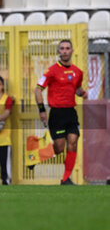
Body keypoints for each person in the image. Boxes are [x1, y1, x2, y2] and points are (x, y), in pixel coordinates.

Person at [35, 39, 88, 185]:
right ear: (59, 51)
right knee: (59, 148)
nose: (64, 51)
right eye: (62, 48)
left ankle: (66, 179)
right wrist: (42, 110)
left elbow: (76, 88)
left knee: (73, 142)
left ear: (72, 51)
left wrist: (82, 93)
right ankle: (35, 156)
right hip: (57, 114)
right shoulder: (51, 71)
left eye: (67, 48)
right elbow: (38, 89)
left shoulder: (78, 72)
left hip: (71, 113)